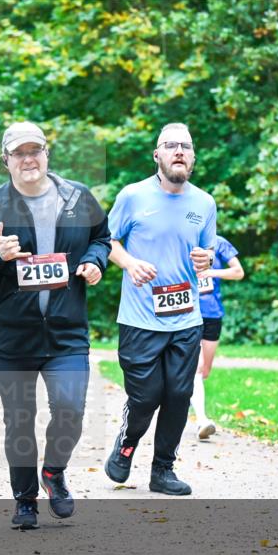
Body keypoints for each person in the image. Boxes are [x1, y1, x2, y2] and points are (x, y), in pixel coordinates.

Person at [0, 121, 110, 529]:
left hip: (66, 332)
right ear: (6, 160)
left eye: (34, 150)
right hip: (11, 337)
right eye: (18, 153)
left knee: (71, 410)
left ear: (46, 154)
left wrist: (95, 261)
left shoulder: (77, 198)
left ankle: (53, 472)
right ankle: (25, 501)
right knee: (19, 421)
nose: (28, 159)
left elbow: (102, 238)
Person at [103, 122, 216, 496]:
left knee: (179, 395)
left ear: (194, 157)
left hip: (186, 317)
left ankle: (163, 470)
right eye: (171, 145)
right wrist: (130, 263)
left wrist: (205, 258)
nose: (179, 151)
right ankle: (126, 444)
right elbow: (107, 241)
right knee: (147, 396)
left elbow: (207, 251)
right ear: (157, 155)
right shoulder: (133, 196)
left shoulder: (204, 203)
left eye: (185, 145)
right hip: (139, 319)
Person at [189, 234, 243, 439]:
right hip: (187, 311)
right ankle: (202, 420)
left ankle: (185, 400)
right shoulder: (183, 238)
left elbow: (238, 272)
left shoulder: (219, 243)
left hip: (212, 311)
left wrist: (210, 272)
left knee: (204, 371)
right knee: (196, 367)